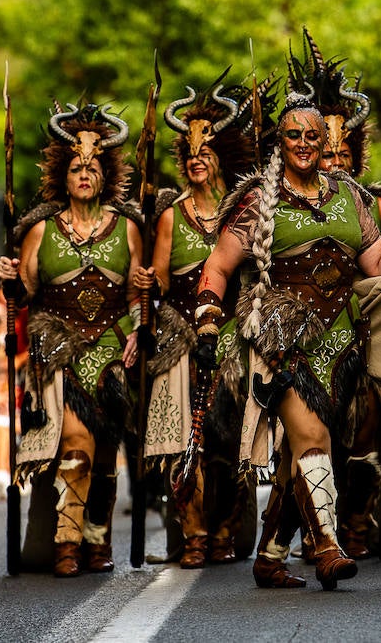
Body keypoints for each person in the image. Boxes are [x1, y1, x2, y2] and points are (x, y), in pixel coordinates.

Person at [195, 87, 381, 591]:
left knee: (306, 453)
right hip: (281, 339)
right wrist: (208, 319)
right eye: (293, 134)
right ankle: (328, 549)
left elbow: (378, 263)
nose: (304, 143)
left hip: (340, 344)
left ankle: (270, 557)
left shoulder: (350, 196)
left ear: (325, 140)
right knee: (312, 439)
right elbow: (219, 265)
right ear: (280, 140)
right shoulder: (257, 200)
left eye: (313, 135)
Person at [0, 103, 145, 578]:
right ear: (64, 176)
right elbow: (25, 296)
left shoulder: (127, 228)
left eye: (93, 167)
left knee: (106, 452)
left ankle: (97, 540)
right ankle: (66, 544)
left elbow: (134, 295)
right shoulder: (41, 229)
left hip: (112, 351)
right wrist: (10, 281)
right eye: (77, 166)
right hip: (57, 351)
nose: (85, 173)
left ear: (107, 176)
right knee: (75, 445)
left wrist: (140, 330)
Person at [291, 32, 381, 558]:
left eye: (340, 150)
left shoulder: (373, 207)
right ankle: (304, 535)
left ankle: (358, 526)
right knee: (308, 441)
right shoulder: (281, 201)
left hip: (365, 337)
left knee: (362, 439)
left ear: (353, 155)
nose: (331, 160)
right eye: (323, 149)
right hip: (303, 338)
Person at [144, 77, 260, 568]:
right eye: (189, 152)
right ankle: (192, 533)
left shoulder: (247, 210)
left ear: (221, 156)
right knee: (186, 436)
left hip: (235, 332)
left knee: (231, 437)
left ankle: (226, 531)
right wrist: (145, 284)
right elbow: (161, 285)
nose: (196, 158)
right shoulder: (171, 215)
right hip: (183, 339)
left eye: (206, 150)